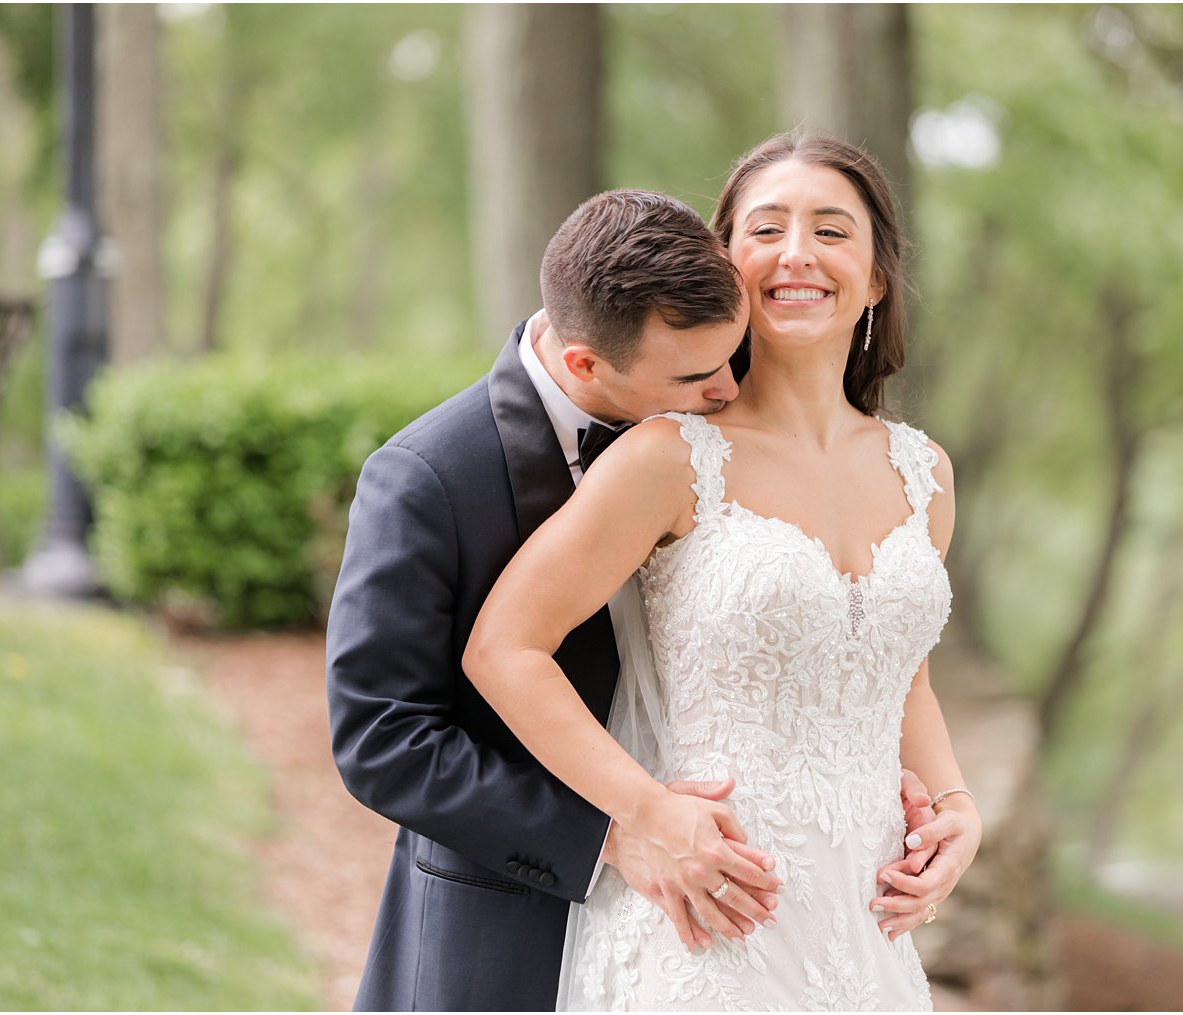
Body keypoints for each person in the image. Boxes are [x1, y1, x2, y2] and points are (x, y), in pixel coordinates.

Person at [463, 134, 983, 1011]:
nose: (797, 254)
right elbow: (505, 647)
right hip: (711, 934)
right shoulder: (669, 458)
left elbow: (903, 677)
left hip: (868, 940)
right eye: (767, 228)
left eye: (832, 230)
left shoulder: (924, 473)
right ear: (727, 260)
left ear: (878, 275)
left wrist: (958, 806)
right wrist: (644, 813)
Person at [329, 189, 827, 1011]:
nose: (730, 390)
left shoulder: (719, 445)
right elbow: (382, 738)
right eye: (697, 375)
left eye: (734, 357)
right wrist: (608, 835)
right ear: (586, 363)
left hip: (713, 934)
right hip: (504, 925)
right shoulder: (426, 479)